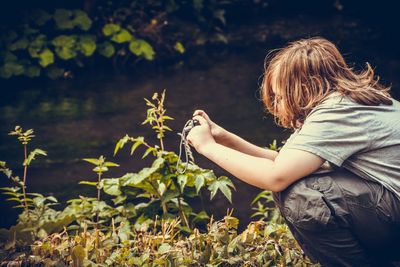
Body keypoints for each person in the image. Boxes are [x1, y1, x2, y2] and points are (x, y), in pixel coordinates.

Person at [186, 37, 400, 266]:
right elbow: (283, 161)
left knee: (301, 196)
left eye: (279, 96)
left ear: (303, 89)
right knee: (298, 182)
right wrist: (224, 137)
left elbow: (275, 177)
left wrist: (207, 147)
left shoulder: (336, 112)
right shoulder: (351, 101)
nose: (276, 104)